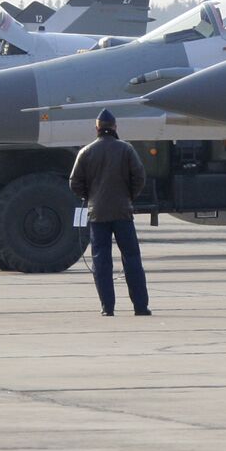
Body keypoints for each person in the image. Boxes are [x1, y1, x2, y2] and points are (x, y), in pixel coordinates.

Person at [69, 109, 150, 316]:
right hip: (123, 212)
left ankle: (108, 307)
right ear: (115, 127)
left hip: (97, 214)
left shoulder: (86, 152)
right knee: (131, 258)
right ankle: (140, 307)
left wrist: (91, 196)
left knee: (101, 260)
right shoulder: (126, 149)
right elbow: (139, 177)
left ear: (96, 128)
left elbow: (74, 182)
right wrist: (129, 196)